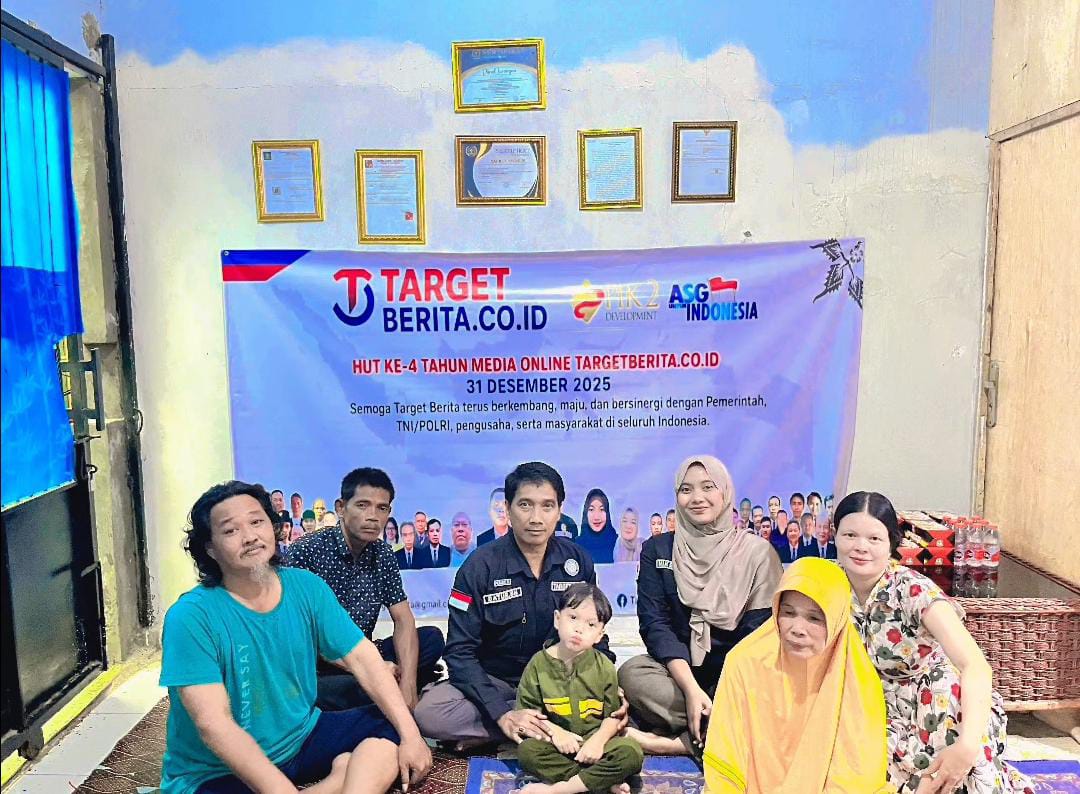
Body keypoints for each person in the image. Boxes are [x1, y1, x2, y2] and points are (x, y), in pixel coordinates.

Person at [159, 480, 431, 794]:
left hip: (300, 738)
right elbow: (214, 725)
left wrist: (411, 735)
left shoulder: (306, 587)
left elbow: (363, 658)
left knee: (391, 723)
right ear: (210, 548)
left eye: (257, 522)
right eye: (231, 530)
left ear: (273, 527)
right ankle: (336, 782)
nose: (250, 537)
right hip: (218, 771)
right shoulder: (190, 617)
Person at [835, 492, 1034, 794]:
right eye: (850, 535)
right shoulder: (828, 584)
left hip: (936, 704)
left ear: (891, 544)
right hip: (870, 706)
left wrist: (966, 745)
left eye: (874, 538)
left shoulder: (912, 590)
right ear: (835, 535)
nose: (861, 546)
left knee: (947, 775)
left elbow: (975, 665)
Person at [413, 462, 617, 748]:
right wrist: (501, 713)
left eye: (547, 506)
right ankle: (533, 725)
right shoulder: (479, 566)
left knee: (619, 697)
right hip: (496, 683)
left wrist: (605, 680)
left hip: (559, 680)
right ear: (507, 509)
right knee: (430, 713)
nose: (536, 518)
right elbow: (459, 652)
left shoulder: (578, 562)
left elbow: (595, 632)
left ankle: (500, 732)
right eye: (525, 505)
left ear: (560, 511)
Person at [620, 456, 782, 756]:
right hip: (680, 676)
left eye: (708, 487)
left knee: (771, 690)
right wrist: (692, 690)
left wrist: (727, 689)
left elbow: (758, 636)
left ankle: (679, 742)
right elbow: (655, 625)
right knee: (632, 673)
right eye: (686, 489)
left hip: (736, 675)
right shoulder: (658, 549)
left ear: (725, 492)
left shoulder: (758, 554)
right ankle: (723, 729)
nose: (697, 498)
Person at [703, 558, 889, 793]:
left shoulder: (857, 680)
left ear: (837, 617)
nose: (797, 629)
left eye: (814, 618)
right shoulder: (744, 662)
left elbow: (856, 775)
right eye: (788, 613)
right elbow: (726, 758)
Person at [285, 468, 445, 712]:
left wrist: (409, 686)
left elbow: (403, 619)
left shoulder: (383, 554)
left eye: (382, 508)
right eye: (362, 505)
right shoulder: (306, 551)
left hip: (364, 652)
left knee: (431, 639)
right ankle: (378, 693)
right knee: (345, 688)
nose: (372, 517)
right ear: (341, 508)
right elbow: (302, 636)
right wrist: (373, 670)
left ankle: (389, 691)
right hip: (316, 666)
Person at [516, 584, 643, 794]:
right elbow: (528, 716)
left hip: (597, 744)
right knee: (527, 751)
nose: (579, 629)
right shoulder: (538, 664)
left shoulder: (604, 667)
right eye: (573, 618)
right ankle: (602, 782)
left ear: (600, 634)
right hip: (557, 745)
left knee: (631, 753)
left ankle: (561, 789)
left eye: (591, 624)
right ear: (557, 619)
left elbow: (614, 716)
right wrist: (556, 733)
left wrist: (598, 741)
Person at [578, 488, 617, 564]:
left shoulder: (617, 543)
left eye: (602, 509)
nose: (596, 517)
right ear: (586, 513)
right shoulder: (577, 546)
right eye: (591, 509)